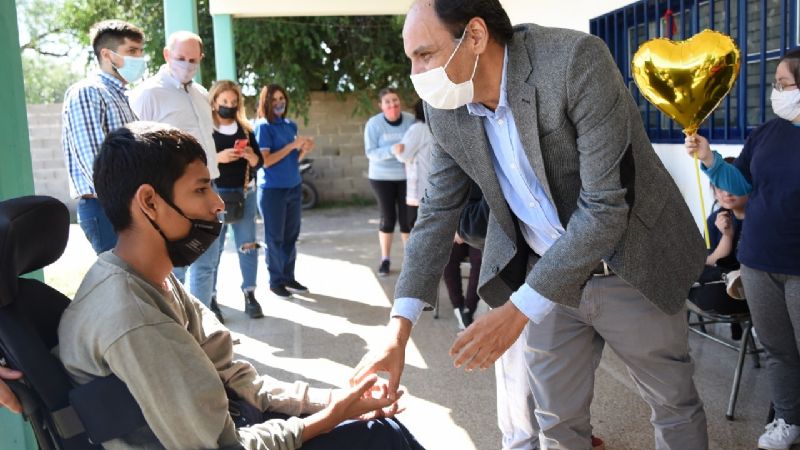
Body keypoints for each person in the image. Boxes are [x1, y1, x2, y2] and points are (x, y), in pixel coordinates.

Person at [353, 2, 709, 450]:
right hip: (546, 274)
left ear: (476, 36)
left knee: (673, 405)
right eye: (411, 58)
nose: (416, 73)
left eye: (424, 54)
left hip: (627, 263)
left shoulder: (574, 61)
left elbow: (604, 206)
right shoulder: (446, 108)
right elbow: (437, 212)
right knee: (556, 422)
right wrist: (397, 331)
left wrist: (519, 310)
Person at [57, 122, 425, 450]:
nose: (218, 204)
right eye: (201, 190)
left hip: (231, 424)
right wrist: (329, 418)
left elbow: (236, 379)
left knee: (378, 427)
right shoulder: (134, 318)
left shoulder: (153, 279)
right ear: (150, 202)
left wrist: (333, 400)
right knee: (381, 438)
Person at [684, 47, 800, 450]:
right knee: (778, 350)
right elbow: (741, 184)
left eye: (785, 85)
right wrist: (710, 159)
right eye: (776, 85)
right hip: (758, 260)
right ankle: (787, 420)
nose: (777, 92)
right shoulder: (767, 132)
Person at [129, 31, 221, 309]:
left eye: (193, 60)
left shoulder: (201, 93)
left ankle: (203, 329)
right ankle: (177, 329)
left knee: (207, 263)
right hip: (173, 194)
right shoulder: (147, 94)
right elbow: (135, 148)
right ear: (167, 55)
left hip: (208, 188)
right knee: (174, 265)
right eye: (181, 58)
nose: (187, 64)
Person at [61, 20, 145, 254]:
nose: (140, 58)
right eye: (131, 51)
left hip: (128, 204)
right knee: (122, 283)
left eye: (140, 51)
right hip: (107, 207)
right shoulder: (88, 92)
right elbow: (95, 163)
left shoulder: (121, 96)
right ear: (107, 54)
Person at [208, 80, 264, 321]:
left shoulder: (246, 130)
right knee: (213, 250)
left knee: (247, 245)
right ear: (214, 101)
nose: (229, 106)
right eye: (224, 102)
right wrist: (218, 157)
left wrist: (250, 156)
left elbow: (259, 163)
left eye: (233, 102)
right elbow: (199, 162)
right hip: (214, 194)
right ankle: (210, 297)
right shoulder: (206, 128)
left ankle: (250, 294)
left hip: (244, 193)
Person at [253, 85, 313, 300]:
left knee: (291, 236)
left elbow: (291, 160)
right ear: (266, 102)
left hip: (293, 186)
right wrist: (291, 146)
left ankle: (288, 277)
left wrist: (303, 149)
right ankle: (275, 281)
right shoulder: (263, 127)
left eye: (282, 98)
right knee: (274, 238)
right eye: (274, 99)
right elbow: (266, 162)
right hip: (272, 191)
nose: (279, 102)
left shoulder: (290, 125)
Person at [688, 177, 749, 340]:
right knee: (684, 263)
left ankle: (728, 276)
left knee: (702, 285)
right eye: (720, 189)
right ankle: (726, 276)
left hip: (744, 290)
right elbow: (708, 260)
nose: (727, 193)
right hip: (718, 280)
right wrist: (727, 236)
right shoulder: (716, 218)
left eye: (733, 186)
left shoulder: (757, 218)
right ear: (714, 193)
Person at [364, 88, 415, 276]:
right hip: (381, 177)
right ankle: (385, 260)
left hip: (407, 177)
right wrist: (392, 149)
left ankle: (410, 263)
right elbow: (370, 153)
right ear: (381, 105)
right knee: (388, 219)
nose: (392, 105)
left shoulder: (410, 120)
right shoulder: (374, 124)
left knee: (407, 220)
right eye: (387, 102)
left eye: (395, 100)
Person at [392, 99, 433, 228]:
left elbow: (403, 154)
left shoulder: (418, 128)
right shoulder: (438, 128)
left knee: (417, 227)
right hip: (435, 185)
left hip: (420, 187)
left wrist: (396, 150)